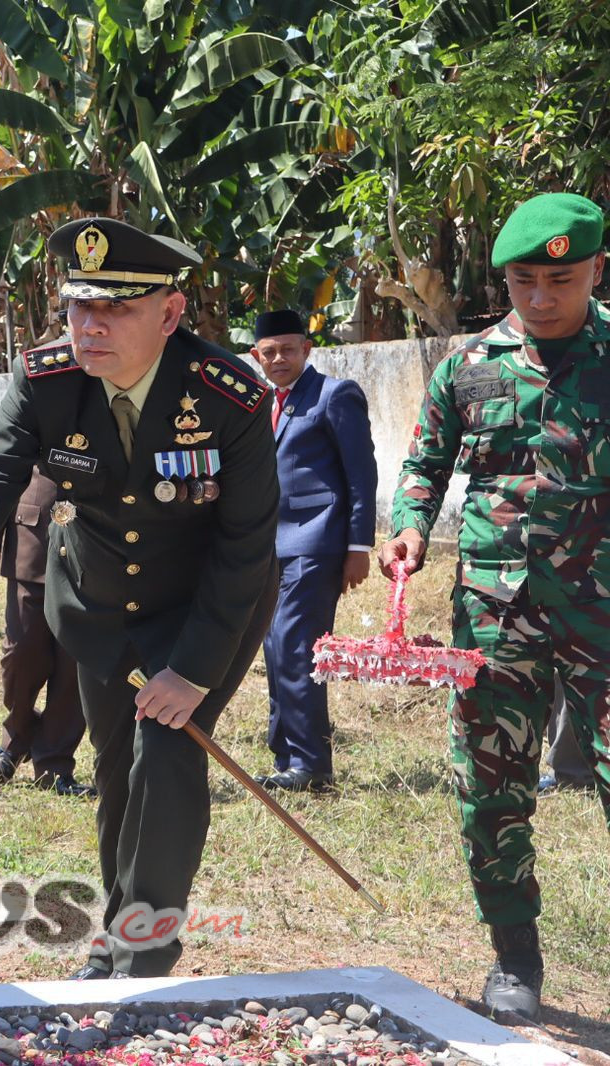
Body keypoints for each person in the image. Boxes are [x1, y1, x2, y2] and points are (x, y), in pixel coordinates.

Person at [0, 216, 278, 979]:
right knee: (117, 766)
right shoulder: (49, 380)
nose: (90, 326)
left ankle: (145, 952)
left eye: (117, 309)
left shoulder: (229, 397)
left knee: (166, 754)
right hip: (95, 605)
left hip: (204, 609)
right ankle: (114, 931)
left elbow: (245, 548)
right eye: (78, 306)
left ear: (169, 313)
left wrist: (194, 670)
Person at [380, 191, 610, 1021]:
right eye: (522, 283)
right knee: (491, 785)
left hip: (602, 610)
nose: (541, 299)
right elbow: (424, 464)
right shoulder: (469, 366)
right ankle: (515, 957)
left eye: (561, 281)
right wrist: (408, 528)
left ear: (595, 270)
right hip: (494, 612)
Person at [249, 309, 377, 792]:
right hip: (269, 547)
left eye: (288, 349)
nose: (279, 359)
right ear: (255, 355)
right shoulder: (259, 403)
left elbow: (361, 476)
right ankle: (287, 756)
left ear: (307, 349)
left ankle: (311, 764)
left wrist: (358, 546)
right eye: (269, 352)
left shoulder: (333, 395)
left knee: (296, 647)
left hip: (316, 543)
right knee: (276, 647)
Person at [0, 469, 93, 796]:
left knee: (73, 667)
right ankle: (18, 735)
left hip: (89, 548)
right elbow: (5, 468)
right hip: (31, 538)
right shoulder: (30, 415)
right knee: (20, 653)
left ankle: (54, 764)